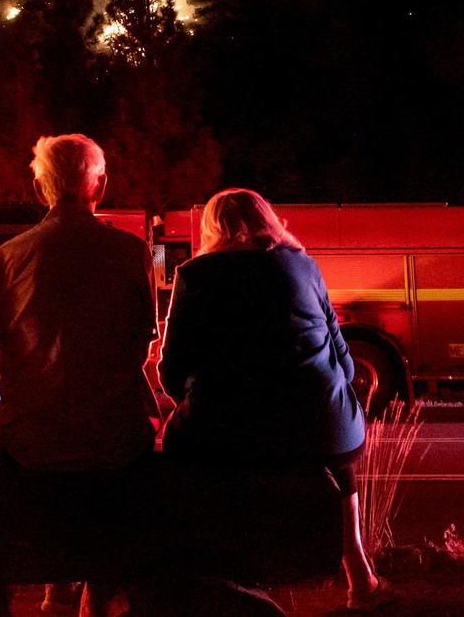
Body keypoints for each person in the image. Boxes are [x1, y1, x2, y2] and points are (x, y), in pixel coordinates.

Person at [159, 188, 393, 612]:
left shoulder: (195, 274)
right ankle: (359, 575)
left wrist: (199, 399)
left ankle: (210, 572)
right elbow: (345, 361)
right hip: (321, 430)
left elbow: (172, 368)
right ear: (269, 220)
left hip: (225, 432)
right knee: (332, 437)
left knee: (176, 451)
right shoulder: (303, 266)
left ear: (211, 229)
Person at [0, 135, 158, 616]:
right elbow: (142, 344)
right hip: (113, 441)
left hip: (32, 442)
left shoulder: (8, 257)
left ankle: (58, 585)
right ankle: (96, 597)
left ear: (42, 187)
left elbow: (3, 351)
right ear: (98, 185)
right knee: (122, 453)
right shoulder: (129, 252)